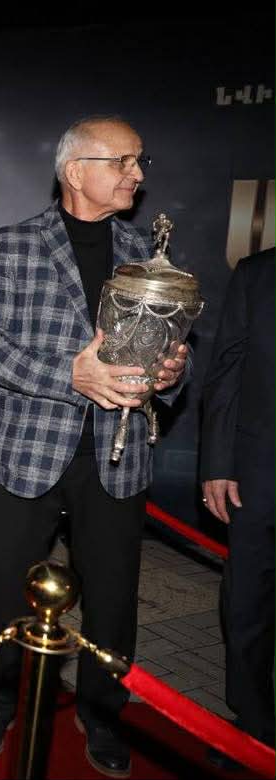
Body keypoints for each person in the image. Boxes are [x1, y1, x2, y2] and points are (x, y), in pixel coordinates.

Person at [0, 116, 190, 777]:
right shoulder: (14, 244)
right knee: (1, 593)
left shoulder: (148, 256)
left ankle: (103, 711)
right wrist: (69, 375)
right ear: (75, 171)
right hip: (24, 452)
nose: (137, 174)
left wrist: (172, 373)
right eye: (123, 161)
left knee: (112, 599)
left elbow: (174, 354)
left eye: (139, 162)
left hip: (117, 459)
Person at [200, 248, 276, 767]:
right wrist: (217, 463)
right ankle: (252, 726)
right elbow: (227, 368)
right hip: (258, 472)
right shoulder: (258, 275)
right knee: (247, 605)